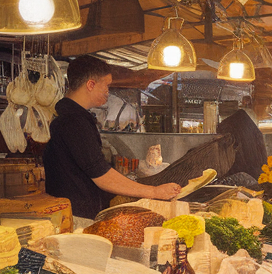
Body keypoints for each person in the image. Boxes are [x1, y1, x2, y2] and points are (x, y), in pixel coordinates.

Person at [43, 56, 181, 225]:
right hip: (76, 218)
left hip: (73, 213)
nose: (108, 91)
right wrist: (153, 192)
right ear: (91, 85)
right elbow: (101, 175)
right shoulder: (74, 121)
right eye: (106, 85)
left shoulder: (69, 117)